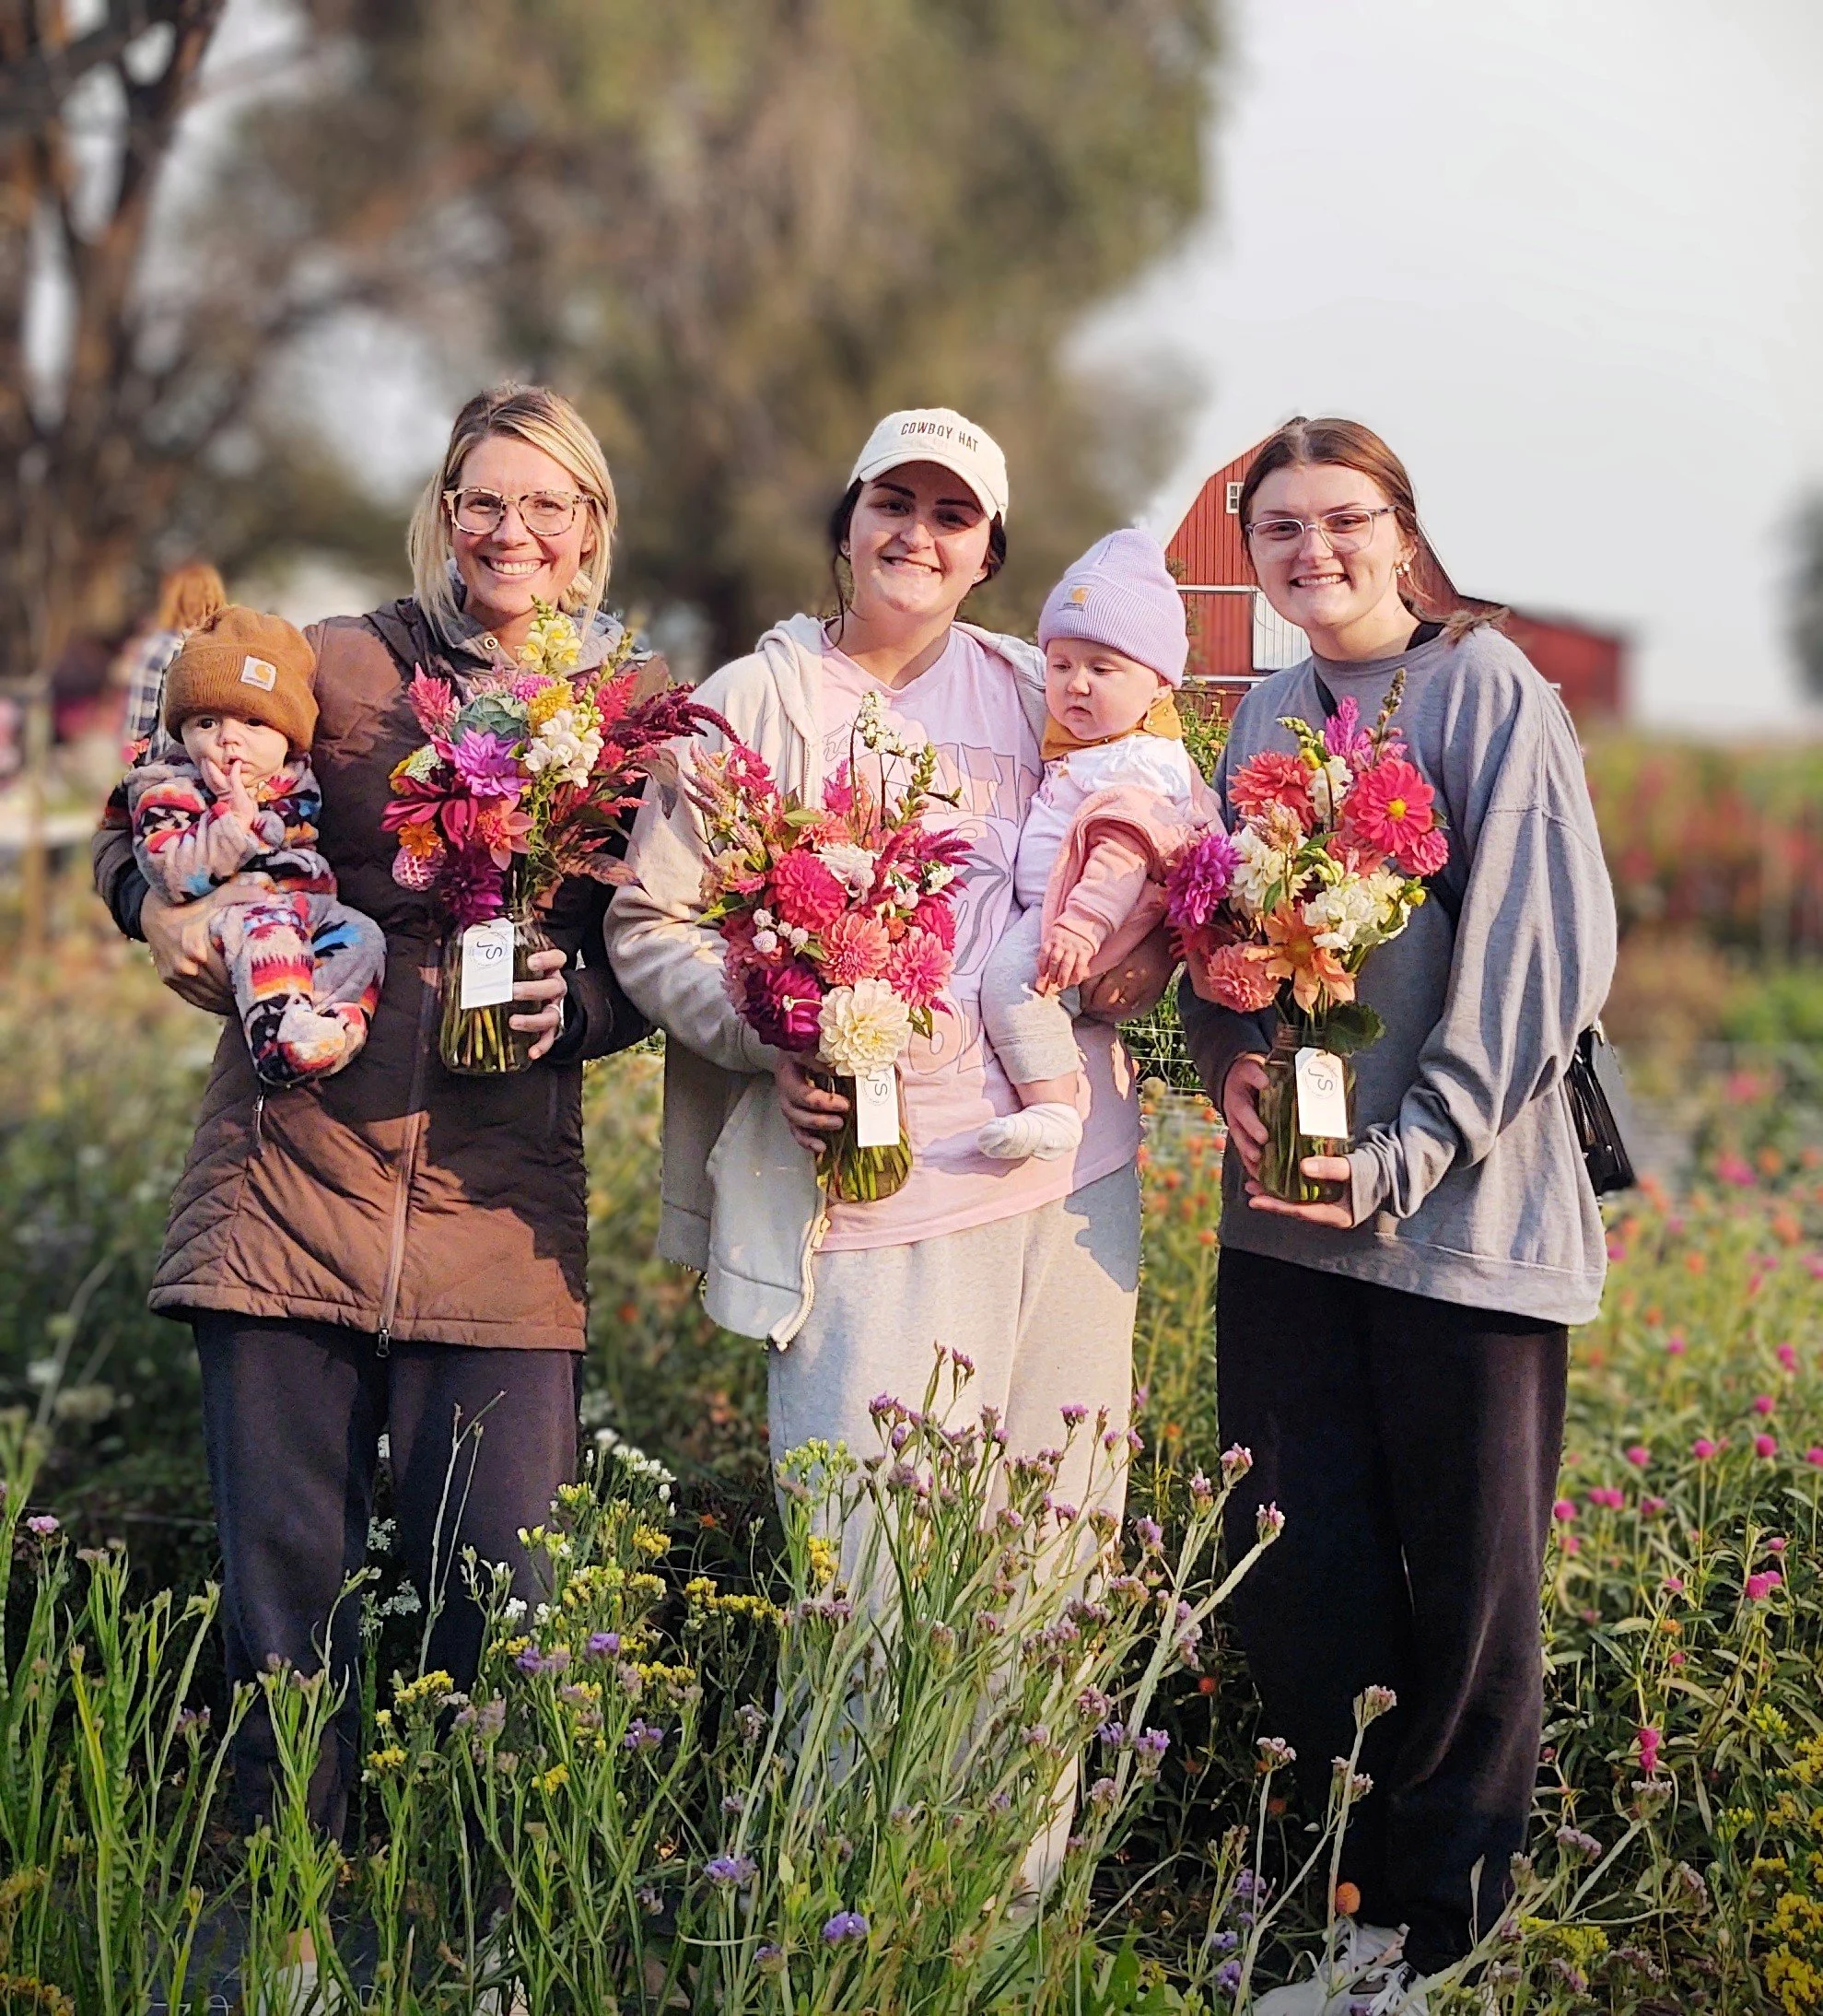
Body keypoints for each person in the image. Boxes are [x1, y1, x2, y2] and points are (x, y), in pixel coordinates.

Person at [606, 406, 1174, 1875]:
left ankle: (1008, 1916)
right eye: (892, 505)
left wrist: (1149, 960)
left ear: (989, 554)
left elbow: (1139, 854)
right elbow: (646, 927)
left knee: (1051, 1561)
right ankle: (854, 1913)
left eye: (952, 516)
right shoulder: (754, 702)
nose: (917, 536)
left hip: (1065, 1184)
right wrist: (770, 1029)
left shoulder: (1034, 692)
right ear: (846, 522)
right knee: (868, 1579)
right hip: (865, 1200)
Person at [91, 383, 649, 1843]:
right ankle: (288, 1932)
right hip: (288, 1186)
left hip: (499, 1214)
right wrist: (152, 899)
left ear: (588, 532)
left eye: (544, 505)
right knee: (286, 1611)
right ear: (443, 511)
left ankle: (466, 1940)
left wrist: (578, 1010)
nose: (509, 530)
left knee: (497, 1606)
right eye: (482, 499)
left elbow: (656, 948)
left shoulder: (629, 719)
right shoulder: (342, 667)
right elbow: (146, 792)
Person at [1179, 417, 1617, 2013]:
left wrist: (1406, 1149)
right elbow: (1214, 938)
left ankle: (1437, 1939)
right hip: (1285, 1232)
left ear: (1400, 526)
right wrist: (1223, 1058)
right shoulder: (1260, 716)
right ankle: (1341, 1917)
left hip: (1459, 1231)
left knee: (1466, 1582)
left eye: (1339, 520)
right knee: (1305, 1572)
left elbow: (1535, 965)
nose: (1312, 553)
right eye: (1278, 530)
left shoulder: (1480, 692)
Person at [976, 527, 1211, 1163]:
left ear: (1159, 686)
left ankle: (1052, 1104)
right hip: (1063, 914)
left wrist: (1079, 928)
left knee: (1010, 982)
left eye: (1102, 668)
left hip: (1081, 917)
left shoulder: (1139, 764)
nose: (1075, 685)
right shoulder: (1097, 747)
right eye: (1059, 665)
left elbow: (1121, 855)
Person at [125, 603, 386, 1085]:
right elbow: (172, 874)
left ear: (288, 735)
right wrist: (231, 825)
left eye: (252, 723)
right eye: (206, 723)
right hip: (234, 914)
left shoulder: (294, 778)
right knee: (270, 933)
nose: (228, 740)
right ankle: (279, 1040)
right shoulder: (170, 788)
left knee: (362, 937)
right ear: (180, 730)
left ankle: (332, 1027)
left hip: (310, 907)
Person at [114, 559, 228, 759]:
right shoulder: (224, 651)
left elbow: (138, 727)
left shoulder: (160, 649)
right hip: (213, 760)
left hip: (166, 763)